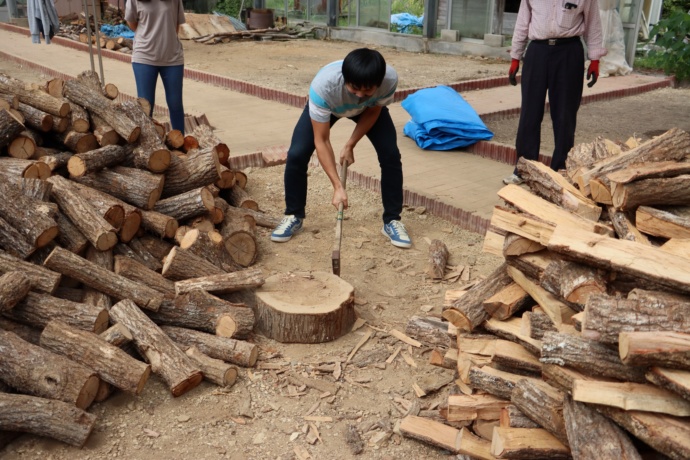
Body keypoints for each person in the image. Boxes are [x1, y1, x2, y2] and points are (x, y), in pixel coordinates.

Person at [271, 48, 412, 249]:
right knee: (297, 154)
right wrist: (338, 186)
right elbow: (322, 141)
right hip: (331, 107)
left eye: (368, 90)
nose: (360, 95)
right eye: (354, 89)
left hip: (367, 111)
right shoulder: (324, 87)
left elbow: (373, 110)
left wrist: (350, 144)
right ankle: (293, 215)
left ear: (378, 84)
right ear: (344, 79)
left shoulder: (388, 79)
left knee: (390, 154)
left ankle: (392, 220)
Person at [503, 0, 607, 185]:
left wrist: (595, 59)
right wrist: (515, 57)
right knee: (530, 113)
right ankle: (525, 169)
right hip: (537, 51)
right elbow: (522, 22)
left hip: (569, 52)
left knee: (565, 114)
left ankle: (560, 169)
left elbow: (593, 24)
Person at [125, 0, 186, 133]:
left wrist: (166, 39)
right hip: (144, 57)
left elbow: (176, 24)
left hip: (172, 58)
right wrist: (149, 35)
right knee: (146, 106)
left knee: (175, 104)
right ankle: (149, 147)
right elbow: (131, 22)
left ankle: (181, 146)